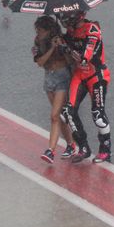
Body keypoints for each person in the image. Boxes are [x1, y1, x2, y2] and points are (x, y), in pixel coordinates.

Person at [59, 11, 112, 164]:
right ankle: (84, 148)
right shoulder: (70, 32)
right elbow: (69, 51)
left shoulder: (92, 30)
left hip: (97, 75)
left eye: (66, 18)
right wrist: (60, 43)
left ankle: (105, 149)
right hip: (79, 76)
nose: (64, 21)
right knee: (69, 112)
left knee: (98, 115)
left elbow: (84, 57)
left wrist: (68, 50)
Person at [32, 15, 76, 164]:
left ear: (49, 30)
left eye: (40, 30)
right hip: (48, 78)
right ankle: (70, 144)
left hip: (62, 78)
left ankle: (50, 150)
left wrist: (62, 48)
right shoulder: (38, 42)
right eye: (37, 30)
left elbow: (71, 61)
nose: (37, 33)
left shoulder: (62, 39)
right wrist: (51, 48)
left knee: (54, 115)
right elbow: (40, 62)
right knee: (59, 117)